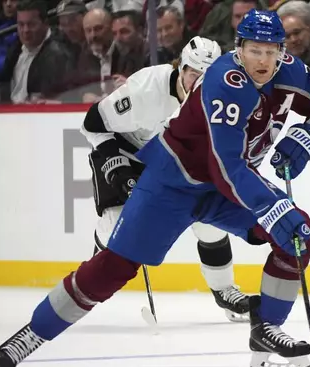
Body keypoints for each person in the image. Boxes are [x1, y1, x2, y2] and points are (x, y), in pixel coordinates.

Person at [0, 9, 310, 367]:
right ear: (238, 48)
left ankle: (266, 332)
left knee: (298, 236)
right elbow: (227, 166)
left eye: (272, 51)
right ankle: (34, 332)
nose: (264, 60)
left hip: (224, 183)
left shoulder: (289, 70)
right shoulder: (225, 82)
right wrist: (273, 206)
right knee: (114, 267)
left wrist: (307, 138)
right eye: (255, 50)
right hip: (173, 182)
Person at [84, 35, 250, 323]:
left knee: (210, 220)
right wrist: (118, 166)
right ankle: (88, 279)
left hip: (171, 158)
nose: (198, 84)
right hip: (128, 150)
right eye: (193, 75)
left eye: (206, 78)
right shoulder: (145, 89)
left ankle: (225, 291)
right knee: (118, 224)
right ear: (181, 67)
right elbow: (93, 123)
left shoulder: (218, 98)